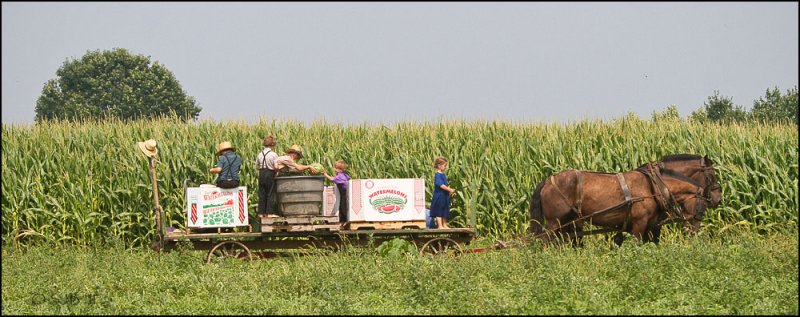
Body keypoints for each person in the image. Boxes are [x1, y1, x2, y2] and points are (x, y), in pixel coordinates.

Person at [256, 135, 279, 218]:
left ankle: (261, 213)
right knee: (270, 193)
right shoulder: (273, 154)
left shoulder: (260, 154)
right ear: (272, 144)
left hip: (261, 173)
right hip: (270, 173)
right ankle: (269, 213)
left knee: (262, 193)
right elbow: (276, 166)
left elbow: (257, 166)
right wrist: (278, 171)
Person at [323, 160, 351, 227]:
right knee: (342, 206)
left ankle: (344, 221)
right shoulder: (344, 175)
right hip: (345, 192)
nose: (334, 169)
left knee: (342, 207)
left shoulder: (340, 176)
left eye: (336, 168)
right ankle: (342, 221)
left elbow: (332, 179)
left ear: (340, 170)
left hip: (344, 192)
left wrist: (325, 174)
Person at [430, 156, 456, 229]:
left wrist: (450, 192)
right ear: (439, 165)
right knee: (439, 210)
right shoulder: (437, 175)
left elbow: (445, 185)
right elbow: (441, 185)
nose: (445, 167)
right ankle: (440, 225)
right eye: (444, 166)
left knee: (445, 210)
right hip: (439, 196)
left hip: (444, 195)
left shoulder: (443, 175)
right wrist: (450, 190)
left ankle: (444, 224)